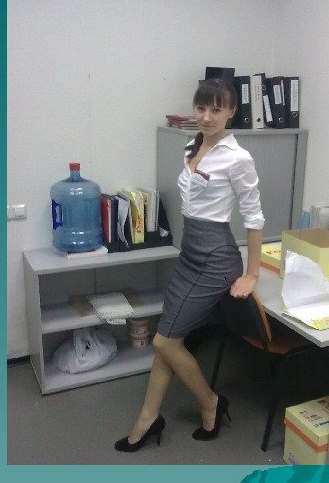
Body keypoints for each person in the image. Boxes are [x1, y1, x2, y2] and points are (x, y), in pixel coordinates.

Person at [114, 78, 264, 452]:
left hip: (215, 259)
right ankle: (149, 418)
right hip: (189, 255)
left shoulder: (238, 158)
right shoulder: (190, 146)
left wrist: (252, 273)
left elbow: (254, 217)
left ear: (231, 111)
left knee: (163, 340)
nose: (207, 116)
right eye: (201, 108)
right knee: (170, 340)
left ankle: (210, 402)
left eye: (216, 109)